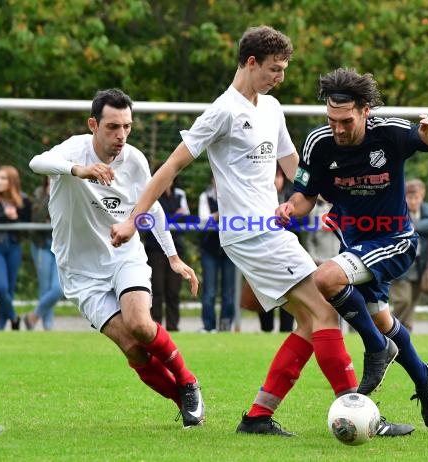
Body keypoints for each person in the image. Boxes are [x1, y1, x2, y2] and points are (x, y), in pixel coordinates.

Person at [111, 27, 411, 437]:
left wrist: (336, 206)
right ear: (251, 62)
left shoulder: (271, 108)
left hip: (271, 229)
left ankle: (258, 416)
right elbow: (171, 167)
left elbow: (297, 171)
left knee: (310, 323)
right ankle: (362, 414)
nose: (280, 77)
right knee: (326, 313)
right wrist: (132, 219)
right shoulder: (223, 111)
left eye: (283, 69)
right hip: (251, 232)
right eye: (275, 68)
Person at [276, 68, 428, 428]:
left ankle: (376, 348)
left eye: (345, 121)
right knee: (380, 318)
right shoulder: (319, 143)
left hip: (394, 241)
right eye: (331, 120)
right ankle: (425, 378)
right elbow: (305, 196)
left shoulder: (390, 132)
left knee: (326, 278)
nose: (338, 129)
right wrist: (289, 208)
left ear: (364, 110)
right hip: (356, 246)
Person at [29, 88, 205, 428]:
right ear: (93, 124)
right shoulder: (73, 150)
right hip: (79, 272)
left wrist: (172, 257)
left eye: (126, 126)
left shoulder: (135, 160)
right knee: (132, 346)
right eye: (112, 127)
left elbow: (151, 207)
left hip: (124, 256)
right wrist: (78, 170)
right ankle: (180, 399)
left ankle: (187, 381)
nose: (121, 135)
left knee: (139, 323)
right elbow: (38, 162)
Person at [389, 179, 428, 331]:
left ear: (422, 196)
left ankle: (405, 331)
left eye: (416, 197)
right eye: (410, 197)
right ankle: (389, 328)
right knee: (403, 300)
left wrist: (416, 227)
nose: (413, 201)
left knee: (412, 300)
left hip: (419, 263)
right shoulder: (397, 208)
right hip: (400, 262)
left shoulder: (425, 210)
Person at [0, 165, 31, 330]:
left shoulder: (23, 200)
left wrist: (14, 219)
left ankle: (1, 328)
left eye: (3, 178)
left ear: (12, 181)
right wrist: (4, 216)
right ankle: (13, 317)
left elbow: (26, 228)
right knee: (0, 288)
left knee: (9, 291)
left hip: (13, 246)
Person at [144, 175, 189, 332]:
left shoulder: (180, 194)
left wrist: (171, 218)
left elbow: (188, 219)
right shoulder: (151, 195)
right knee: (157, 289)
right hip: (155, 249)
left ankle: (173, 326)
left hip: (176, 248)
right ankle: (155, 327)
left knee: (173, 291)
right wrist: (175, 216)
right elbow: (152, 219)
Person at [258, 166, 295, 333]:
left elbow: (303, 221)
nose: (275, 179)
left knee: (290, 291)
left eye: (278, 176)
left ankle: (286, 330)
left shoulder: (291, 198)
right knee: (266, 290)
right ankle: (266, 330)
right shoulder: (258, 197)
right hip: (264, 250)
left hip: (287, 249)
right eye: (272, 175)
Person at [24, 176, 63, 330]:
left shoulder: (69, 191)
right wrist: (48, 196)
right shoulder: (39, 193)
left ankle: (33, 316)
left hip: (62, 246)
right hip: (42, 245)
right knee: (44, 287)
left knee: (58, 289)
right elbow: (37, 218)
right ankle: (48, 328)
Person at [197, 176, 236, 332]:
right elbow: (204, 221)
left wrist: (217, 216)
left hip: (230, 248)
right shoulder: (205, 196)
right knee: (209, 292)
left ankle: (226, 327)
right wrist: (221, 214)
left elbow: (238, 218)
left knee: (228, 293)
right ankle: (209, 327)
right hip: (209, 248)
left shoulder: (234, 196)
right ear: (212, 180)